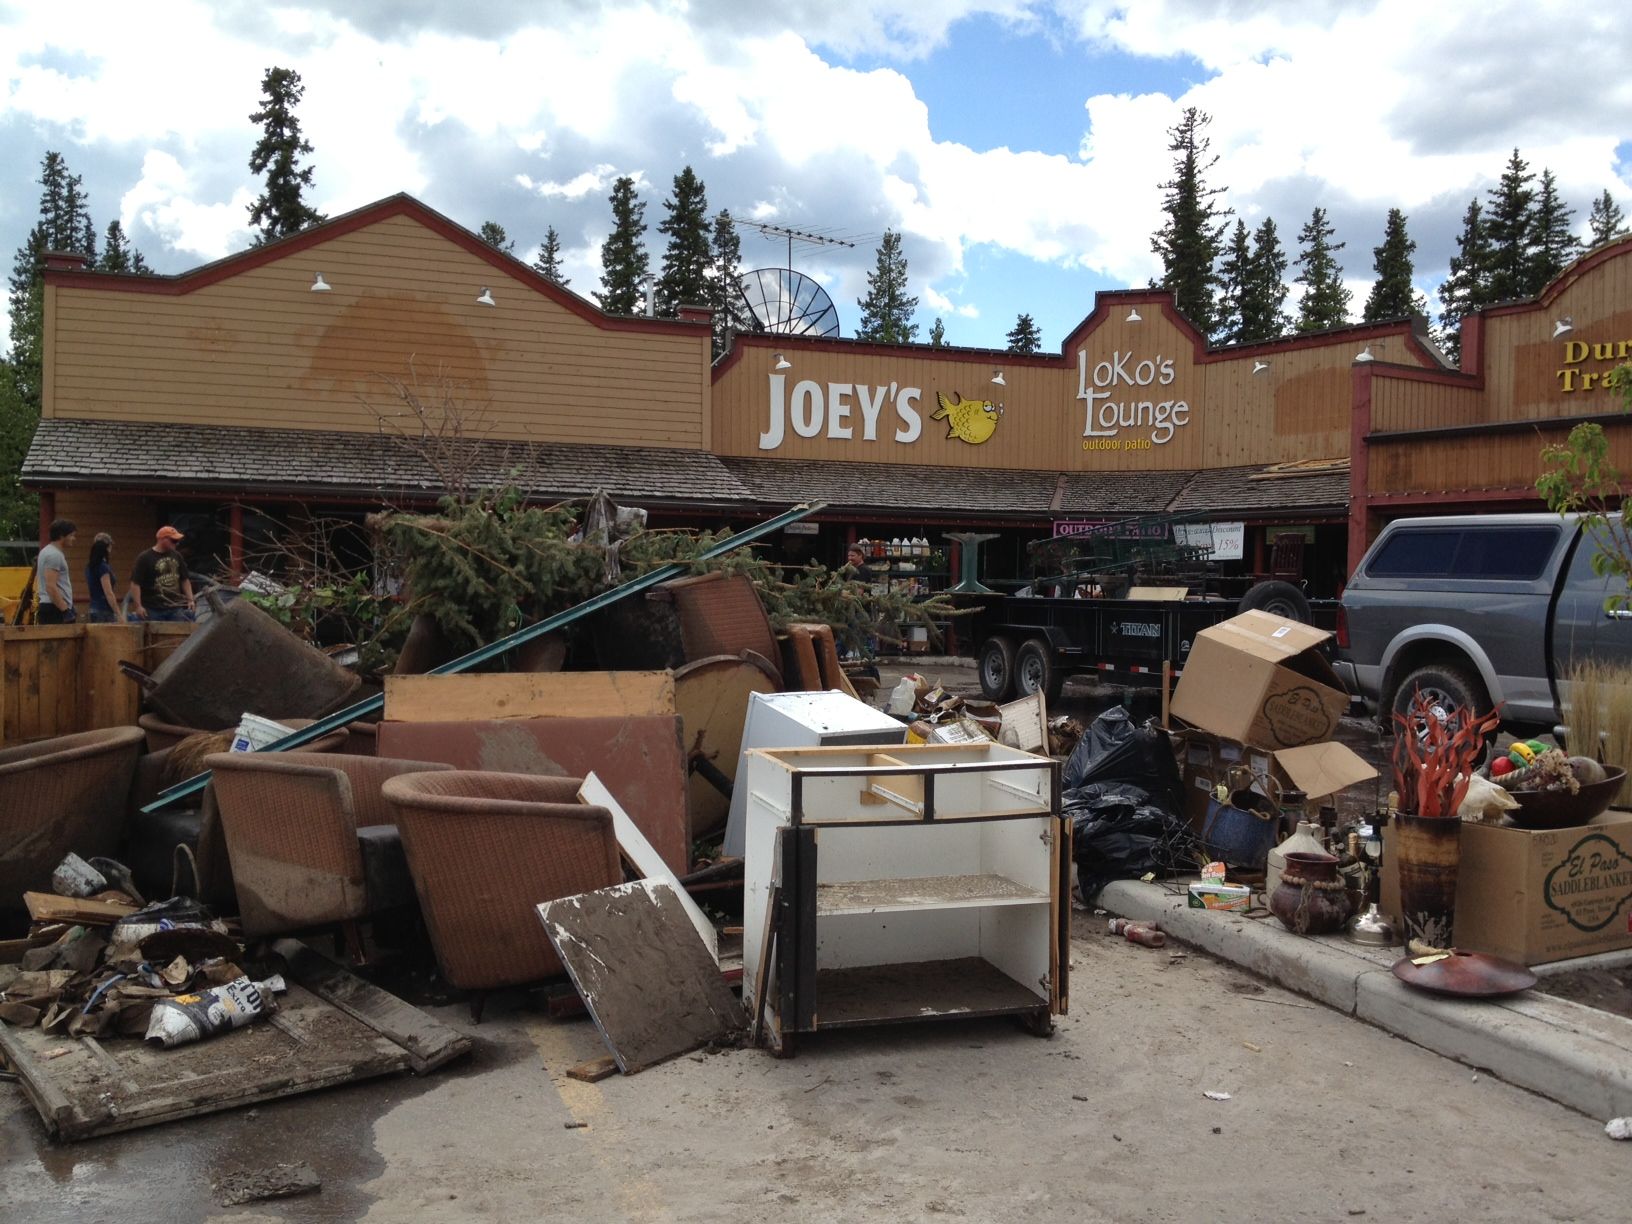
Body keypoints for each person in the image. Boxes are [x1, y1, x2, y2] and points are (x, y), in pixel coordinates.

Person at [128, 526, 196, 622]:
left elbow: (184, 579)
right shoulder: (144, 558)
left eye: (177, 541)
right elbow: (135, 584)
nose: (176, 543)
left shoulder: (177, 556)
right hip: (153, 608)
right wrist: (138, 606)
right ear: (162, 539)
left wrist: (190, 599)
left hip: (175, 607)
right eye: (173, 540)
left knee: (180, 633)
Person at [35, 518, 77, 624]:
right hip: (54, 608)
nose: (74, 538)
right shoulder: (54, 555)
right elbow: (51, 586)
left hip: (53, 606)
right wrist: (65, 610)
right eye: (71, 535)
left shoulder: (47, 551)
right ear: (62, 535)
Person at [85, 533, 126, 624]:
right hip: (104, 610)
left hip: (94, 608)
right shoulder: (103, 567)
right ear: (107, 547)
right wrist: (119, 614)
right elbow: (108, 592)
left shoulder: (89, 567)